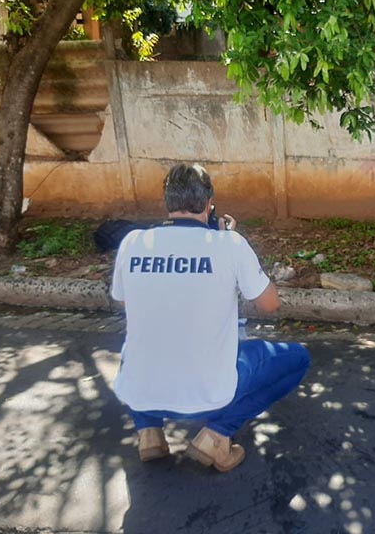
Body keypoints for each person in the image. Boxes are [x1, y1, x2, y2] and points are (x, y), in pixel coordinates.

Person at [110, 163, 311, 471]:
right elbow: (270, 304)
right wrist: (231, 246)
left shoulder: (132, 242)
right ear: (208, 204)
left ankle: (148, 432)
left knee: (134, 349)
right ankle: (217, 436)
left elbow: (126, 305)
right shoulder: (229, 245)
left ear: (168, 204)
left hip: (140, 393)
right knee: (297, 358)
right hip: (210, 396)